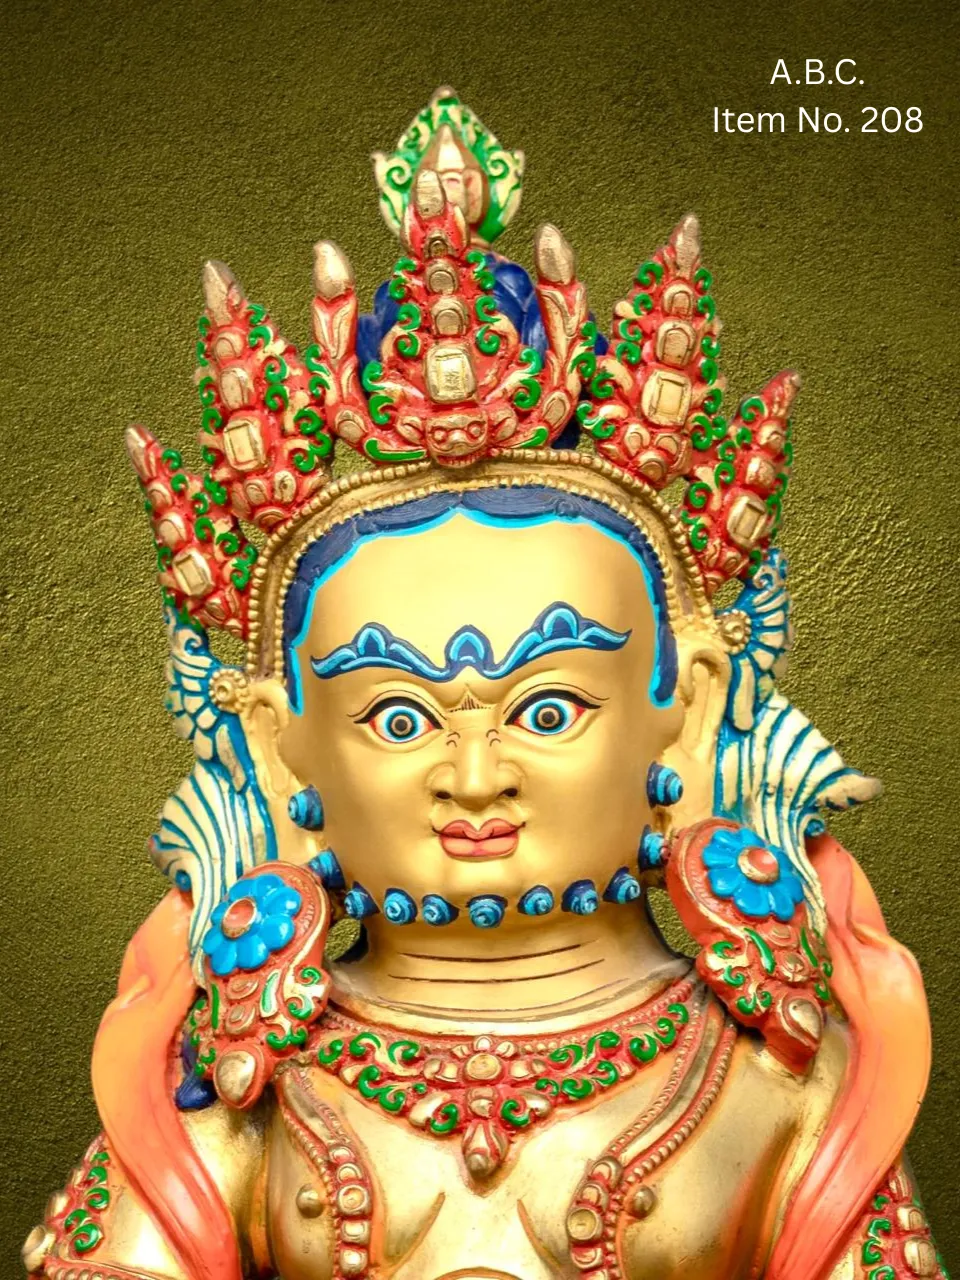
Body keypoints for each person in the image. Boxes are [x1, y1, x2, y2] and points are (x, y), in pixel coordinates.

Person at [21, 88, 945, 1280]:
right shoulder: (235, 1090)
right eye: (398, 714)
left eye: (548, 709)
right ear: (279, 743)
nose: (473, 774)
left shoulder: (784, 1085)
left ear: (691, 707)